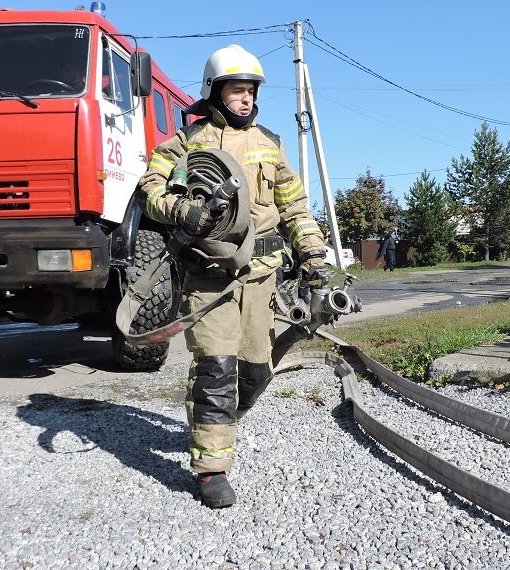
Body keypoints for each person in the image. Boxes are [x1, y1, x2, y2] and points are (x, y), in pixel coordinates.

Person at [138, 44, 328, 509]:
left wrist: (315, 257)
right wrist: (184, 210)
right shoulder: (184, 144)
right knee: (216, 370)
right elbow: (150, 191)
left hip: (262, 279)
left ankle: (218, 422)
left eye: (250, 91)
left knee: (257, 370)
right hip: (209, 280)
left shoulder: (270, 144)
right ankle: (211, 469)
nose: (245, 99)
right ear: (214, 91)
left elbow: (294, 207)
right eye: (237, 91)